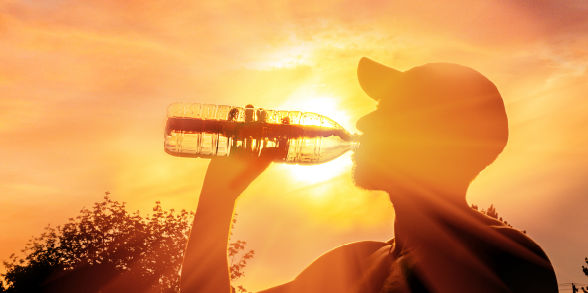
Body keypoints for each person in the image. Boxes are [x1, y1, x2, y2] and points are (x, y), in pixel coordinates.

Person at [179, 57, 558, 292]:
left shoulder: (502, 258)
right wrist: (220, 194)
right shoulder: (354, 264)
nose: (363, 120)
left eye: (390, 110)